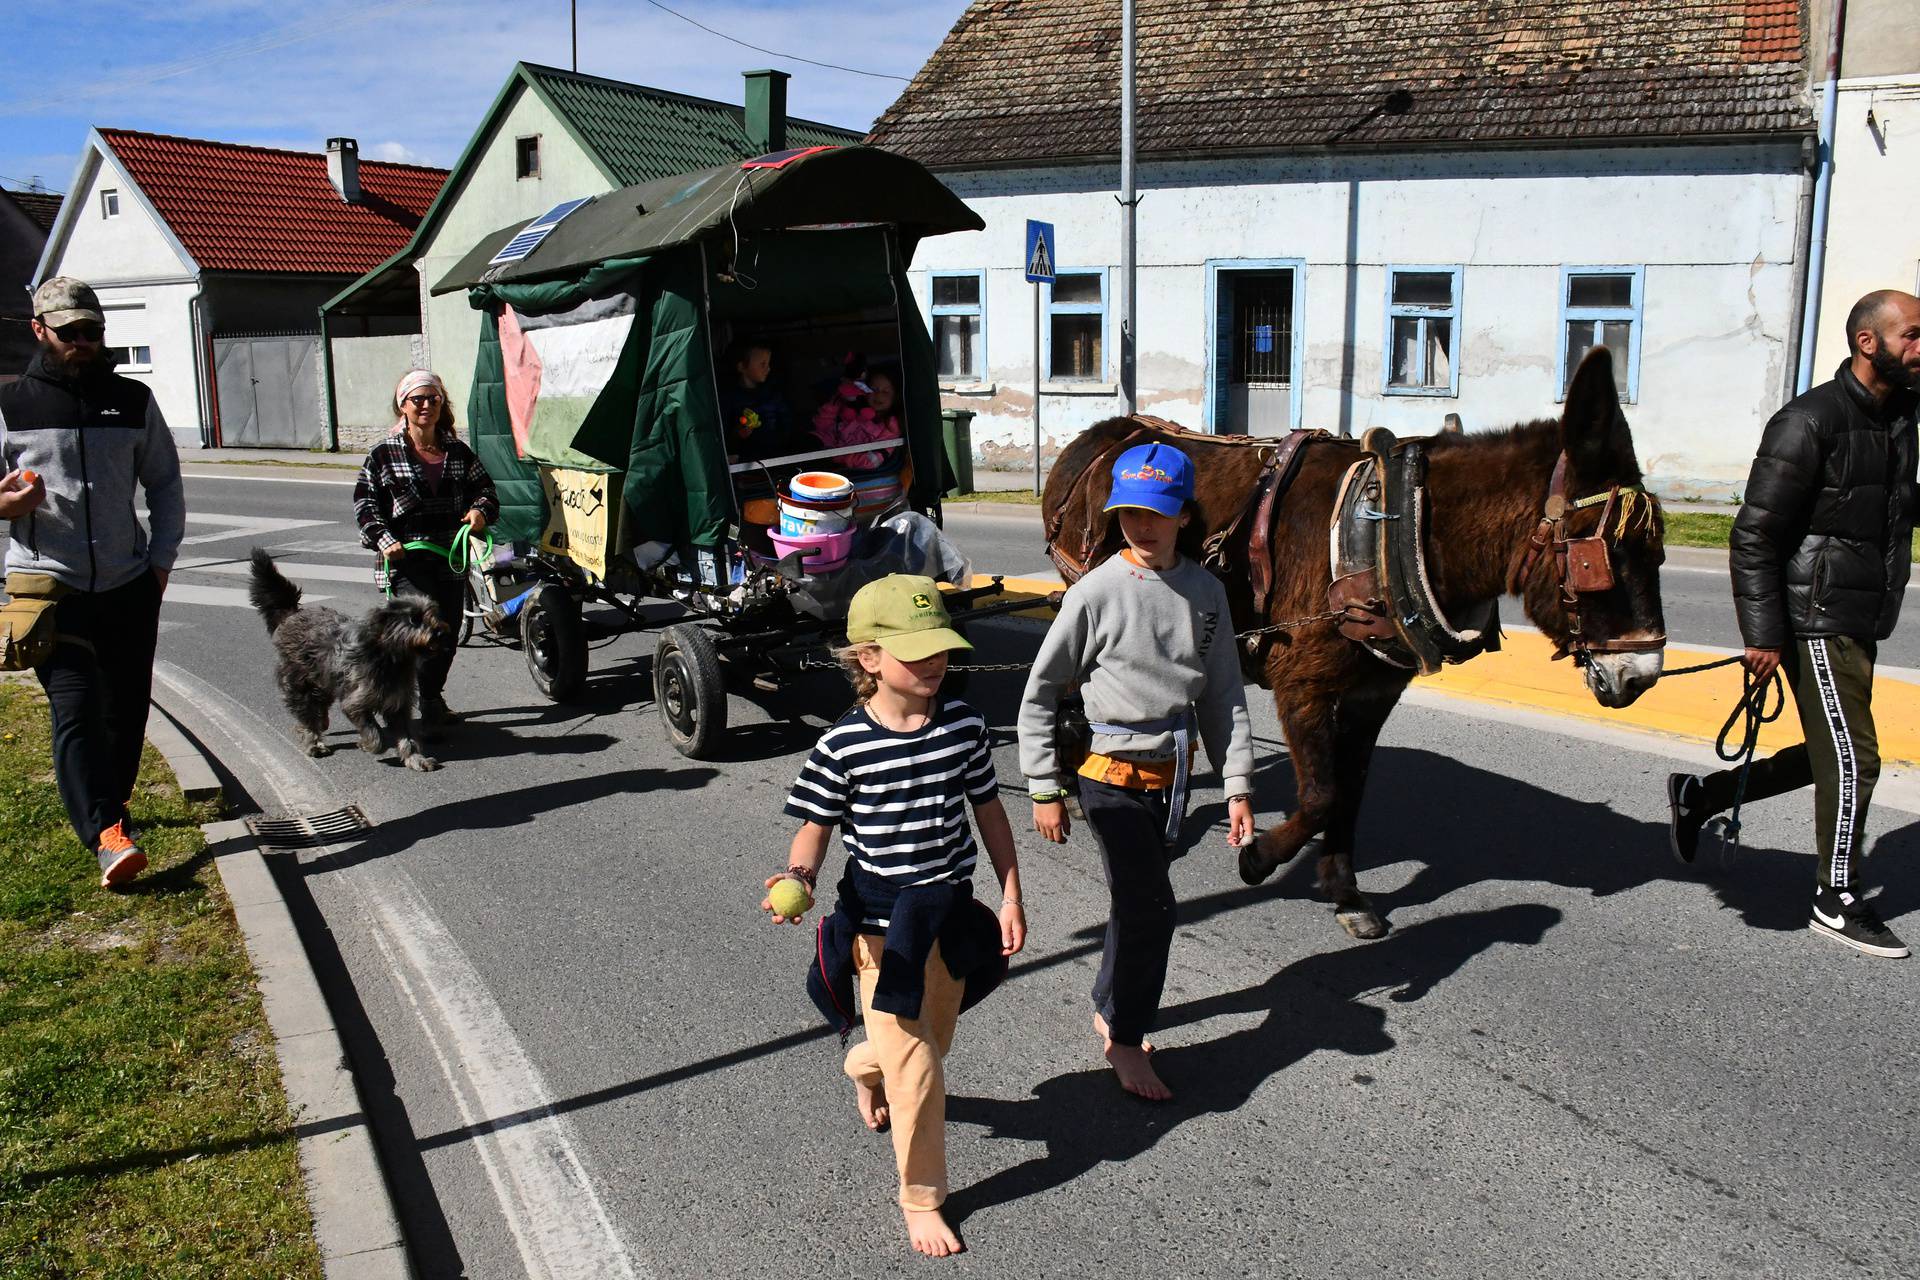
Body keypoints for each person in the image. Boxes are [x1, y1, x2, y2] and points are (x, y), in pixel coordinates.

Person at [766, 574, 1025, 1258]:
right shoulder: (842, 746)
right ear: (869, 658)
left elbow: (990, 814)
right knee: (921, 1072)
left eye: (940, 647)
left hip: (947, 916)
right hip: (884, 935)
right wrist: (798, 878)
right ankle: (921, 1197)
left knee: (931, 1047)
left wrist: (1011, 893)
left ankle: (865, 1065)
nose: (935, 662)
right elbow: (814, 829)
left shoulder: (964, 727)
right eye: (916, 652)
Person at [1669, 289, 1920, 959]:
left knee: (1826, 753)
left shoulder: (1898, 415)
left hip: (1860, 612)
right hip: (1816, 616)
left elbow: (1884, 503)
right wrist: (1763, 634)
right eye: (1914, 336)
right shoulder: (1808, 421)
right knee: (1854, 758)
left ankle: (1702, 796)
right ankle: (1835, 895)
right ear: (1870, 343)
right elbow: (1752, 535)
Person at [1017, 442, 1256, 1100]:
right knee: (1152, 908)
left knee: (1134, 901)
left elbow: (1222, 695)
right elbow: (1041, 692)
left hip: (1172, 780)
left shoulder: (1206, 593)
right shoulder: (1096, 593)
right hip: (1106, 774)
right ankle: (1124, 1039)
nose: (1141, 526)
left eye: (1155, 513)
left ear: (1183, 513)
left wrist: (1236, 785)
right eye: (1129, 513)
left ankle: (1108, 998)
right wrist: (1044, 786)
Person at [0, 276, 184, 888]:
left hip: (129, 582)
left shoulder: (132, 401)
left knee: (126, 709)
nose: (83, 341)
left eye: (92, 331)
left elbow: (163, 482)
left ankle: (114, 806)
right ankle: (106, 835)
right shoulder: (12, 406)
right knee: (75, 708)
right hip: (50, 587)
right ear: (39, 332)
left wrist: (160, 561)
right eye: (69, 333)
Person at [352, 370, 498, 726]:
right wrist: (385, 540)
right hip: (406, 562)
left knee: (443, 635)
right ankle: (396, 702)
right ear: (402, 405)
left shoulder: (458, 452)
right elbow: (365, 504)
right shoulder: (382, 455)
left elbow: (486, 491)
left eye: (433, 399)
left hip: (449, 557)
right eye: (418, 399)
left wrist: (480, 511)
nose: (426, 406)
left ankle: (431, 698)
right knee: (412, 637)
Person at [811, 357, 903, 472]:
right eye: (873, 389)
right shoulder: (854, 408)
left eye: (886, 392)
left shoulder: (891, 425)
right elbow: (823, 427)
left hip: (843, 465)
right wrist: (838, 399)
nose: (878, 395)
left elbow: (871, 462)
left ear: (896, 396)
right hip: (826, 451)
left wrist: (836, 457)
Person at [719, 336, 795, 461]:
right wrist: (738, 434)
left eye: (768, 363)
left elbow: (786, 424)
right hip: (745, 460)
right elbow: (725, 437)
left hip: (775, 457)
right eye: (762, 364)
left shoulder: (774, 394)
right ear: (742, 367)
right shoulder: (729, 399)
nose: (768, 368)